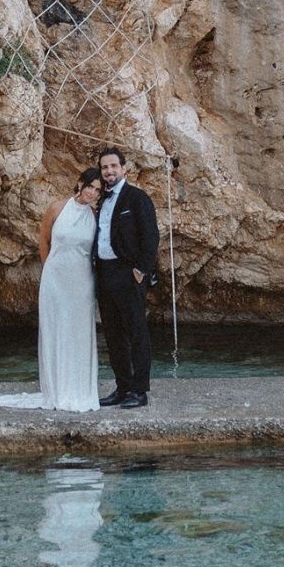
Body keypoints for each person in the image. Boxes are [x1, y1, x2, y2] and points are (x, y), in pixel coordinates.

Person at [0, 169, 104, 412]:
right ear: (80, 183)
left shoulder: (95, 215)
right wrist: (50, 269)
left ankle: (79, 390)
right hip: (55, 280)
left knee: (79, 334)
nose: (92, 192)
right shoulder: (56, 208)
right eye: (90, 186)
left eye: (98, 190)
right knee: (55, 331)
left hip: (82, 282)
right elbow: (44, 242)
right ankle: (56, 390)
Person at [93, 147, 158, 409]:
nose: (108, 171)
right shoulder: (101, 199)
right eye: (104, 167)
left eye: (113, 166)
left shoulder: (137, 198)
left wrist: (141, 270)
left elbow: (151, 236)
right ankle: (122, 387)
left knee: (136, 332)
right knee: (113, 334)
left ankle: (139, 391)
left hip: (128, 273)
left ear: (124, 168)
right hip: (105, 274)